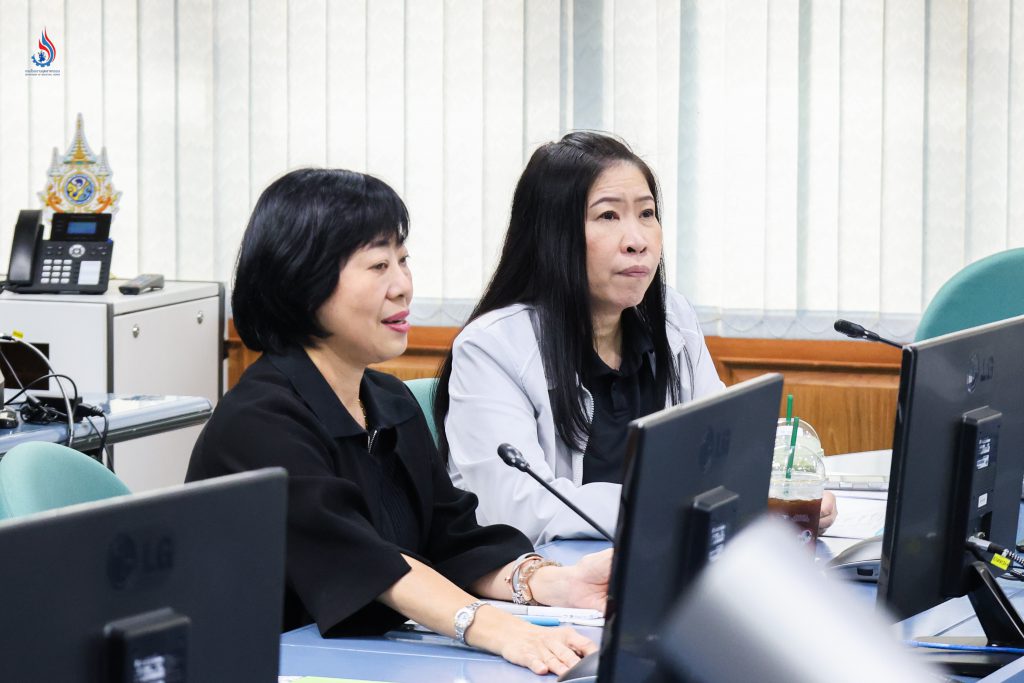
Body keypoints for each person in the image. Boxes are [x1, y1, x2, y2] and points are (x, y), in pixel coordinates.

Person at [186, 168, 611, 677]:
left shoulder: (387, 399)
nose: (402, 287)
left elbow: (451, 540)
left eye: (404, 261)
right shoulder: (258, 424)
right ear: (303, 281)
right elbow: (366, 563)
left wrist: (553, 583)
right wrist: (498, 630)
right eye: (378, 265)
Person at [434, 132, 837, 545]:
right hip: (548, 585)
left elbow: (725, 451)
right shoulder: (493, 347)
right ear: (553, 235)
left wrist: (776, 493)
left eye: (647, 214)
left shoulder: (671, 320)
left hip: (660, 562)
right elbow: (517, 508)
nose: (638, 241)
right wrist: (670, 506)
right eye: (608, 216)